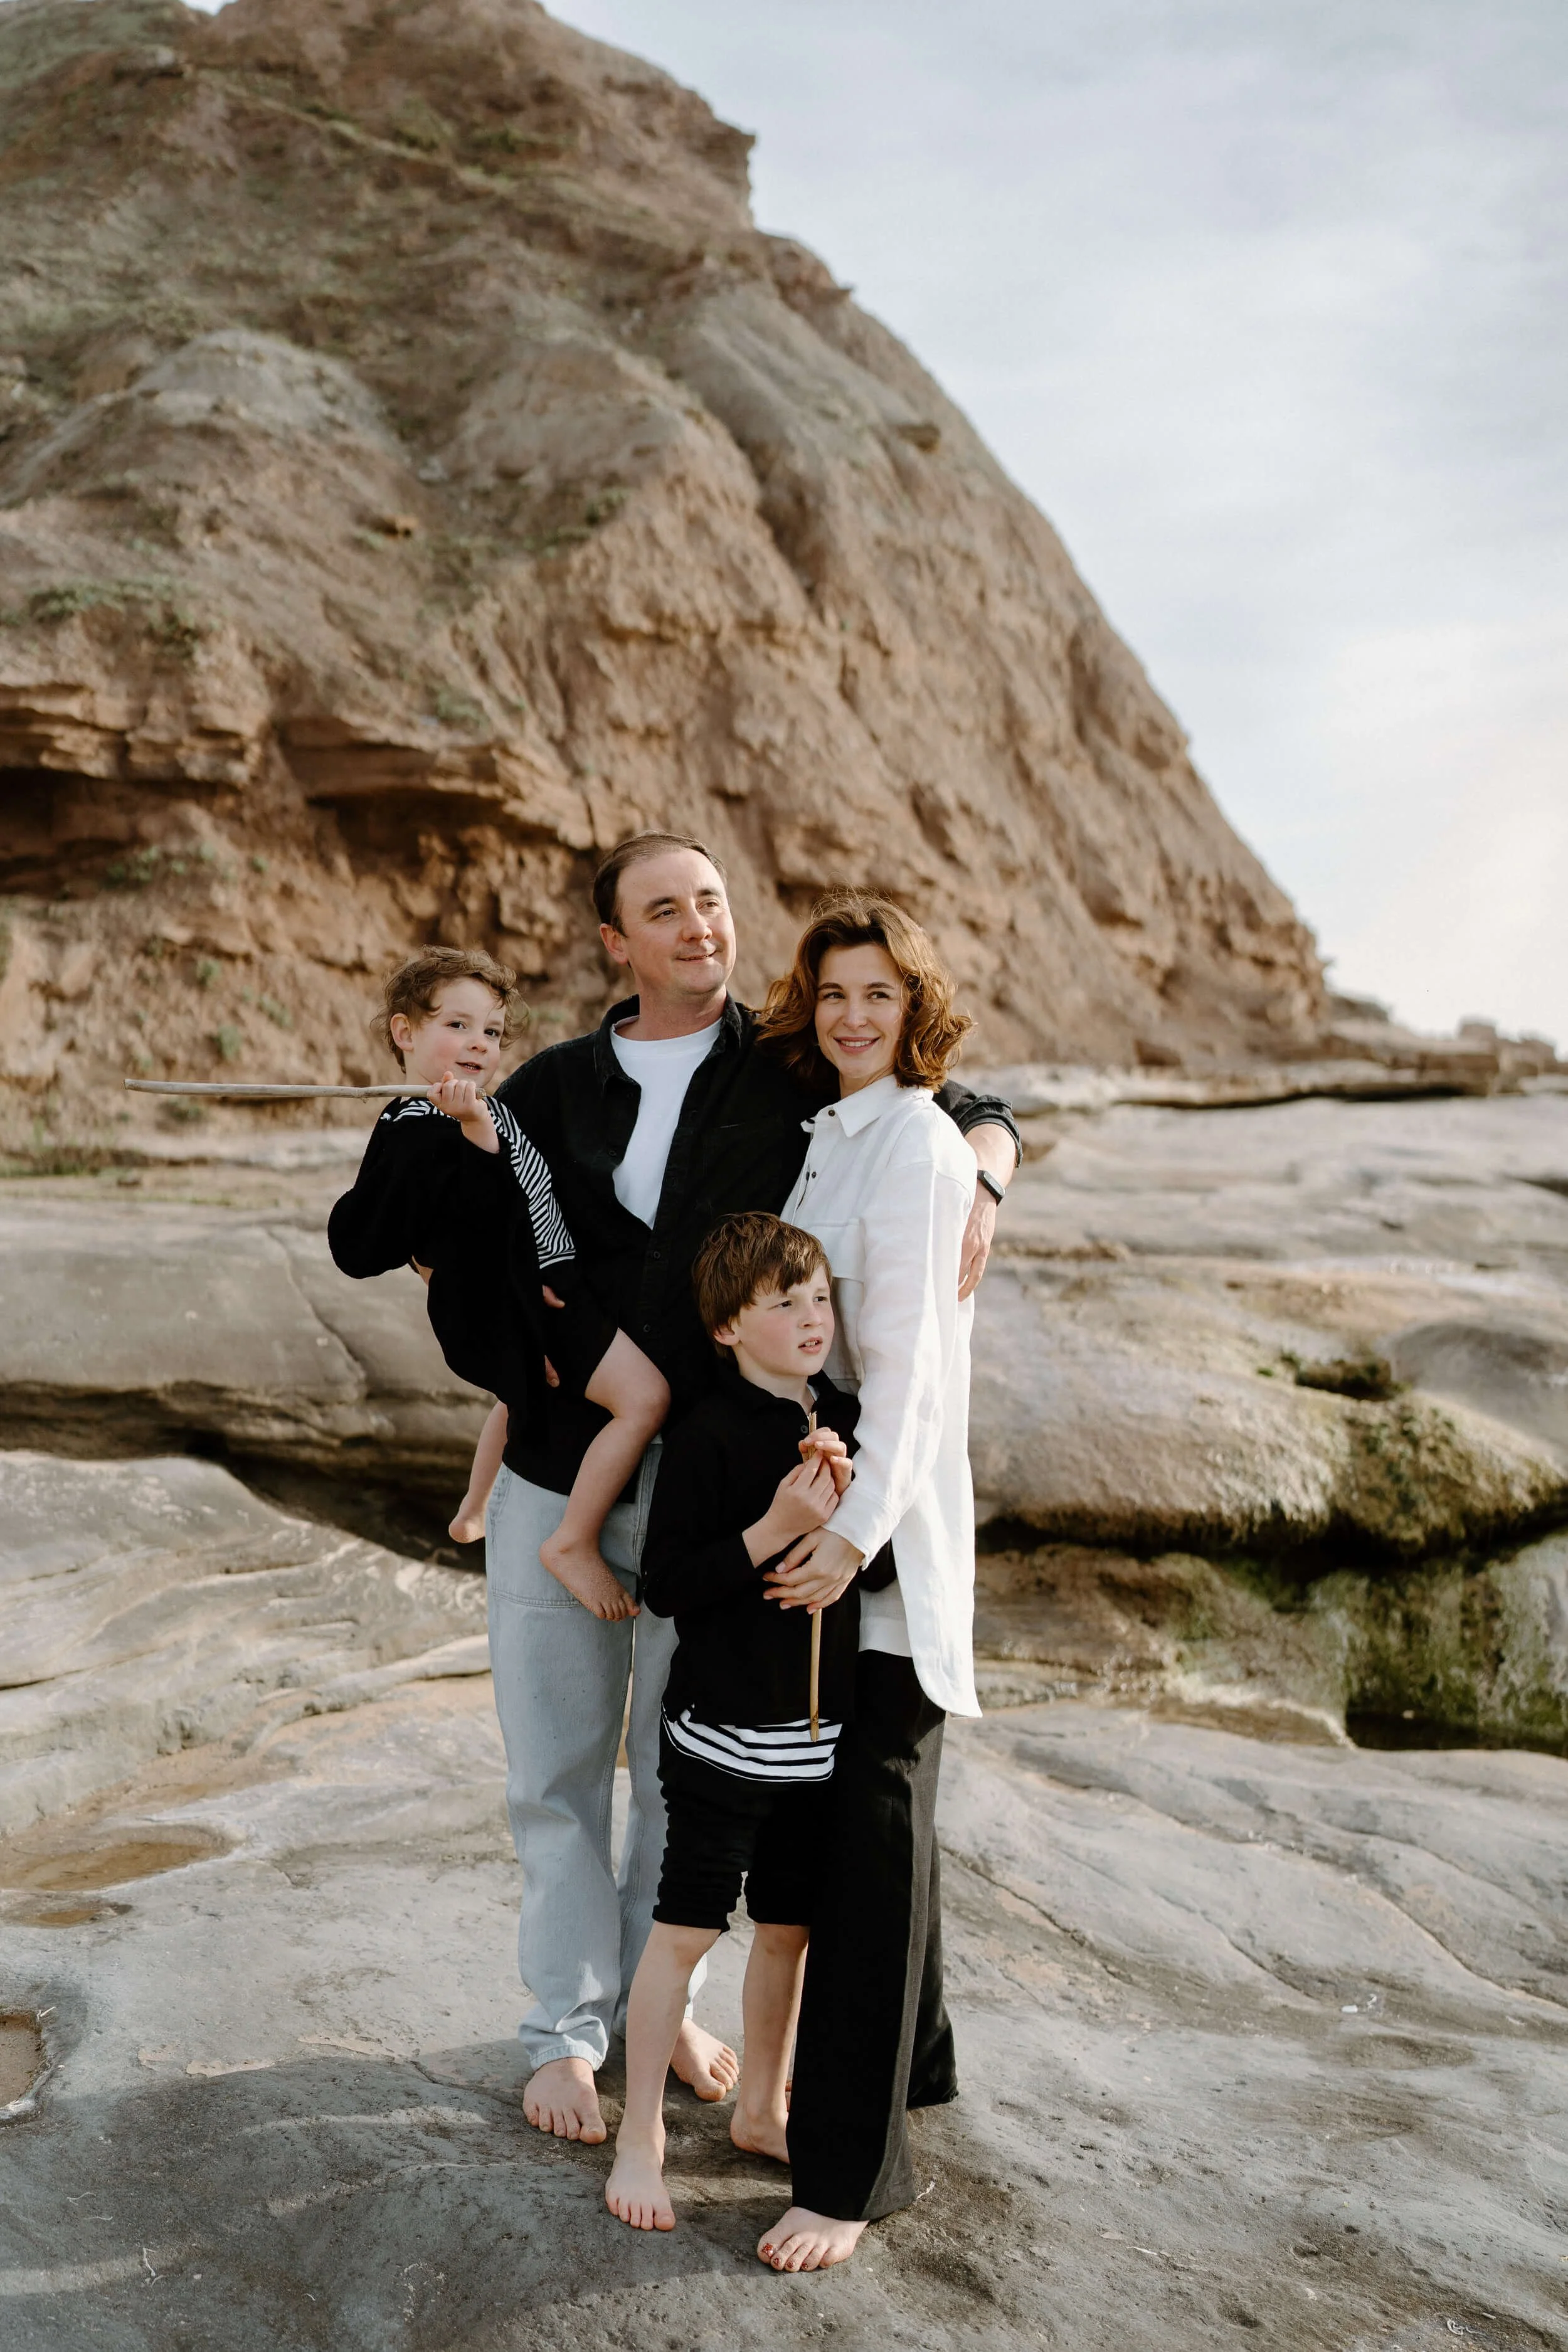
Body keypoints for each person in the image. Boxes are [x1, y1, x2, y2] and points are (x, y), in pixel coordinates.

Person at [482, 832, 1019, 2147]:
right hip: (565, 1467)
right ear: (616, 942)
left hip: (731, 1478)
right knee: (556, 1771)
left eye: (712, 902)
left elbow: (939, 1090)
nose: (696, 928)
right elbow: (463, 1233)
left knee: (692, 1769)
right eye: (661, 911)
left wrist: (993, 1162)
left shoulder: (783, 1066)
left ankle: (660, 2014)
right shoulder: (551, 1088)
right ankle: (565, 2030)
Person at [751, 891, 985, 2275]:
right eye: (833, 992)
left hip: (881, 1549)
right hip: (834, 1521)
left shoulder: (914, 1144)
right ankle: (923, 2065)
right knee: (881, 1825)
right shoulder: (827, 1136)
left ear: (913, 1011)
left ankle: (847, 2176)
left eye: (877, 996)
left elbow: (910, 1370)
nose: (850, 1015)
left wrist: (852, 1540)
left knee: (872, 1843)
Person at [605, 1212, 860, 2233]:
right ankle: (642, 2138)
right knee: (687, 1929)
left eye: (821, 1298)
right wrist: (780, 1526)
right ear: (725, 1329)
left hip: (818, 1740)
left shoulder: (839, 1410)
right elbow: (669, 1584)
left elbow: (867, 1562)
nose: (812, 1318)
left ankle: (760, 2106)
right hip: (720, 1739)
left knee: (789, 1931)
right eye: (783, 1304)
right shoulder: (708, 1432)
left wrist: (844, 1517)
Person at [327, 946, 667, 1622]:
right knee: (644, 1399)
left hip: (549, 1288)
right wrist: (477, 1137)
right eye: (456, 1026)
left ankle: (473, 1509)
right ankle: (571, 1541)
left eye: (488, 1031)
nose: (477, 1044)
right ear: (406, 1033)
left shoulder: (474, 1110)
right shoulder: (417, 1124)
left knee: (514, 1406)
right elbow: (461, 1236)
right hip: (533, 1301)